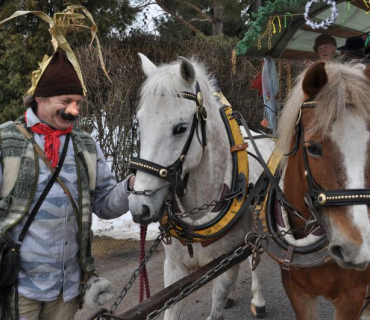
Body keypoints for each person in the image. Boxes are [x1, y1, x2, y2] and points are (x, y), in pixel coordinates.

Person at [0, 45, 135, 320]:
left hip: (67, 288)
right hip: (17, 286)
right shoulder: (5, 142)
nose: (74, 110)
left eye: (78, 103)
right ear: (39, 96)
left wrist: (131, 186)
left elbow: (105, 205)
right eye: (66, 100)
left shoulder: (85, 144)